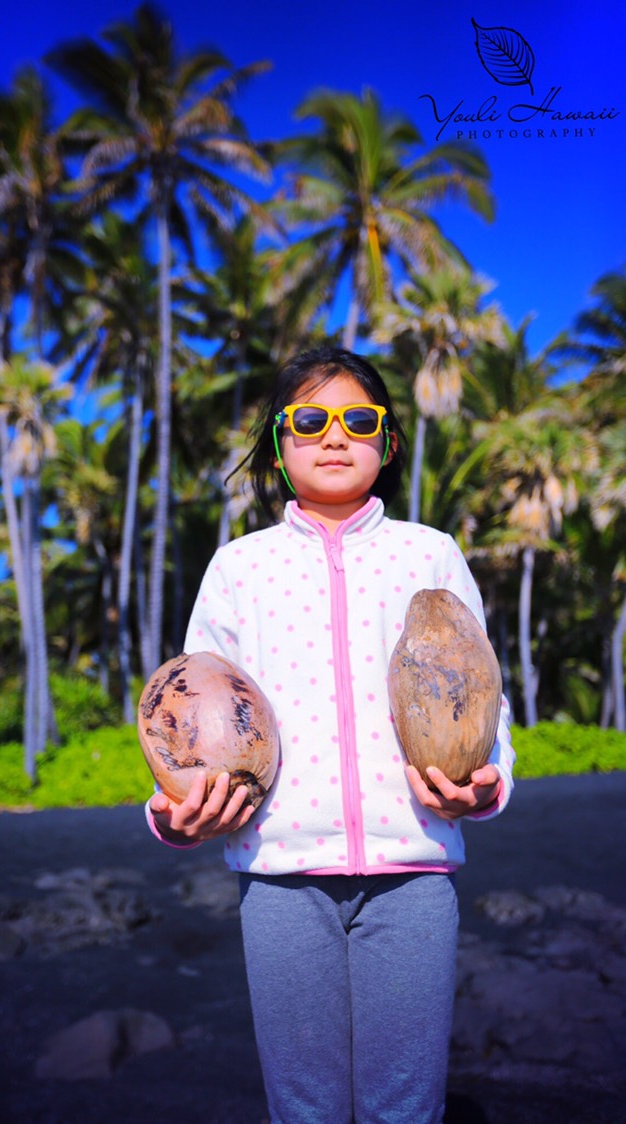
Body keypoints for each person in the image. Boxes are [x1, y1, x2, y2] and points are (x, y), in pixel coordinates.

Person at [146, 346, 515, 1123]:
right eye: (309, 420)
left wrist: (486, 781)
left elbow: (483, 692)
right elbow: (192, 708)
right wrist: (174, 808)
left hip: (414, 869)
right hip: (280, 874)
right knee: (303, 1105)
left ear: (384, 443)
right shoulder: (239, 568)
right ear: (279, 448)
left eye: (359, 419)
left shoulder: (430, 553)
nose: (334, 435)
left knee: (406, 1105)